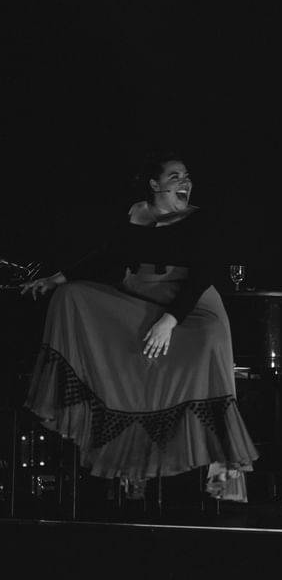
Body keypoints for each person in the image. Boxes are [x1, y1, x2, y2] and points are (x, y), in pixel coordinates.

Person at [21, 153, 258, 500]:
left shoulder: (200, 221)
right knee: (71, 297)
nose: (184, 183)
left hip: (190, 307)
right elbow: (106, 254)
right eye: (175, 176)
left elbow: (201, 276)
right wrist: (56, 278)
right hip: (140, 300)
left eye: (187, 177)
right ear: (154, 184)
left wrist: (169, 321)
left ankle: (222, 475)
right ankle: (133, 469)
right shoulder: (135, 215)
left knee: (208, 342)